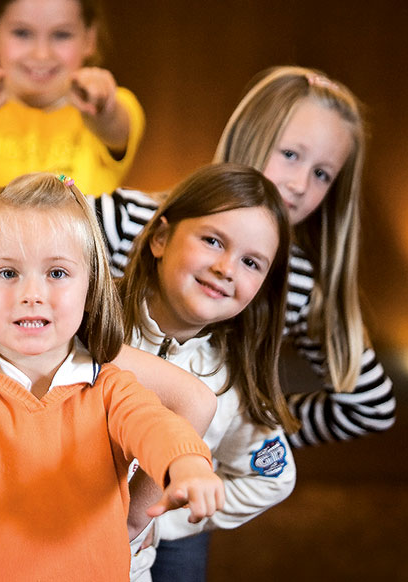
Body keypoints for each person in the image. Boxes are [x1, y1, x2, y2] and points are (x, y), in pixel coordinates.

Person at [90, 65, 395, 581]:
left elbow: (370, 405)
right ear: (162, 239)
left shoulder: (296, 279)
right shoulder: (130, 217)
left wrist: (231, 430)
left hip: (166, 516)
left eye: (323, 173)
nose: (299, 184)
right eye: (291, 154)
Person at [0, 172, 225, 581]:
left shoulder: (111, 390)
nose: (32, 294)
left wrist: (187, 463)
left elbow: (157, 428)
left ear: (90, 289)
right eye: (8, 273)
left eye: (57, 273)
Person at [118, 164, 298, 581]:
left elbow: (273, 478)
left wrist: (158, 523)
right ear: (160, 238)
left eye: (251, 262)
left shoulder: (230, 385)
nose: (226, 268)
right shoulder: (89, 315)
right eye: (213, 241)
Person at [0, 0, 145, 195]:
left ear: (89, 39)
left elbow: (116, 124)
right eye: (22, 33)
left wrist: (103, 105)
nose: (41, 53)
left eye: (61, 35)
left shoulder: (118, 103)